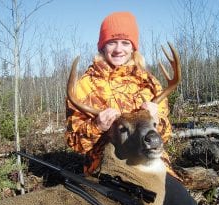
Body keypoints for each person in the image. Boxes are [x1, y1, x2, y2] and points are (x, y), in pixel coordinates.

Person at [65, 11, 175, 177]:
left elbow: (164, 137)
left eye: (125, 43)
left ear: (133, 47)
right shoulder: (83, 86)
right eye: (112, 42)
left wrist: (157, 120)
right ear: (102, 46)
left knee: (182, 202)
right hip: (107, 169)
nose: (118, 49)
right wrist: (97, 126)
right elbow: (75, 144)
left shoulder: (150, 83)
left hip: (152, 164)